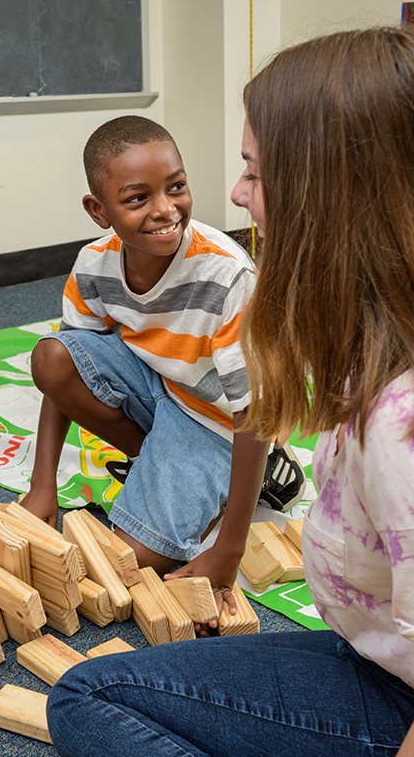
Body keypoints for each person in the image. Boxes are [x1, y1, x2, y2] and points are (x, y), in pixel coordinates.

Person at [46, 27, 414, 756]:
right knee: (119, 683)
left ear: (335, 199)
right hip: (391, 661)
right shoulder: (413, 335)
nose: (235, 194)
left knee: (87, 698)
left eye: (256, 174)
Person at [19, 115, 304, 621]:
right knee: (53, 357)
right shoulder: (93, 265)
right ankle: (164, 464)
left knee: (132, 559)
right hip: (162, 387)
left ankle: (238, 477)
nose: (165, 209)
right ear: (98, 210)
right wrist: (43, 485)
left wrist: (229, 550)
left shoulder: (227, 277)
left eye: (176, 187)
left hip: (218, 418)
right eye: (137, 198)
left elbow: (255, 412)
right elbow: (67, 367)